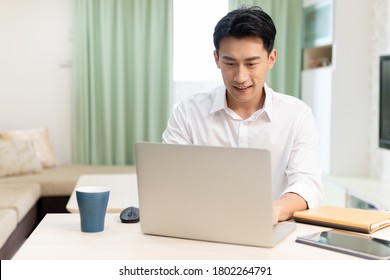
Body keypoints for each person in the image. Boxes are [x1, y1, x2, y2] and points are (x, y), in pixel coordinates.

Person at [162, 6, 322, 224]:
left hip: (271, 229)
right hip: (202, 227)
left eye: (251, 63)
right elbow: (169, 176)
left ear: (271, 59)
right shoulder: (188, 113)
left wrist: (274, 210)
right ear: (216, 59)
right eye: (230, 63)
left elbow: (306, 183)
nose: (240, 77)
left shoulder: (297, 115)